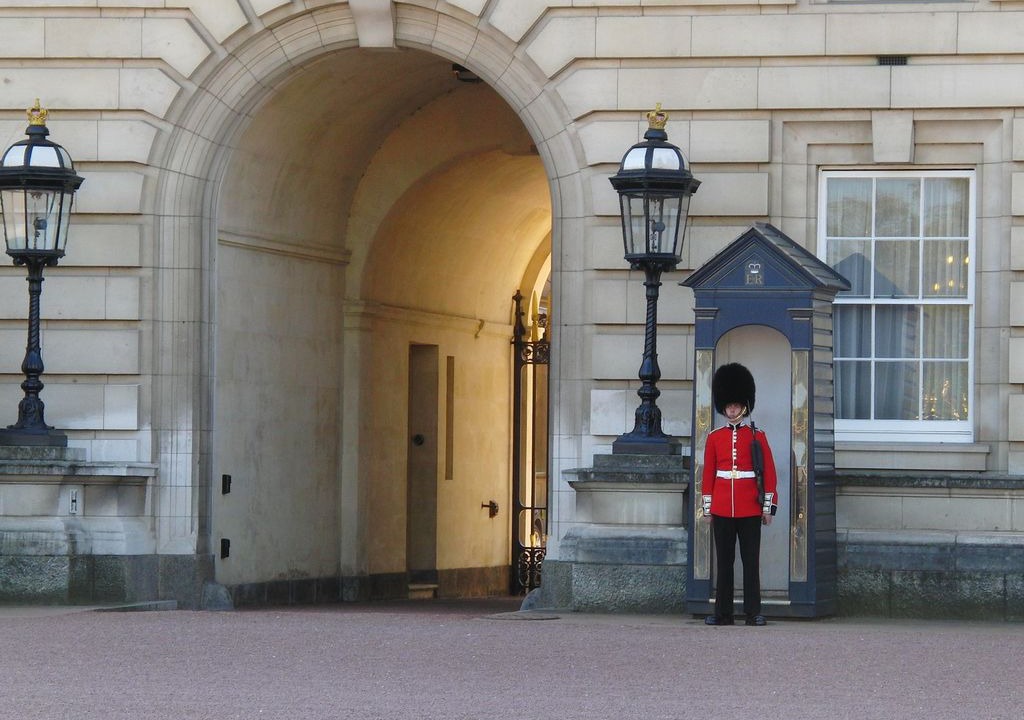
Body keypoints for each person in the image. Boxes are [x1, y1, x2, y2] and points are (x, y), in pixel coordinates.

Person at [701, 362, 778, 627]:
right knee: (724, 563)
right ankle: (723, 613)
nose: (731, 410)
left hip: (749, 506)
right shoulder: (714, 437)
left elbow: (769, 474)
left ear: (744, 406)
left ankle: (752, 612)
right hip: (722, 506)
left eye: (736, 406)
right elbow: (708, 474)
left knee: (750, 563)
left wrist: (768, 508)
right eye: (728, 406)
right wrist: (707, 508)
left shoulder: (758, 436)